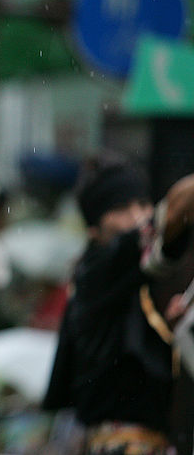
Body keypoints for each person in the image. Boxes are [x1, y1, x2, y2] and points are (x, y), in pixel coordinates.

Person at [44, 156, 194, 455]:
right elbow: (177, 211)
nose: (137, 216)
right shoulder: (98, 271)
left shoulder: (131, 283)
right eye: (121, 208)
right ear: (94, 231)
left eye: (142, 203)